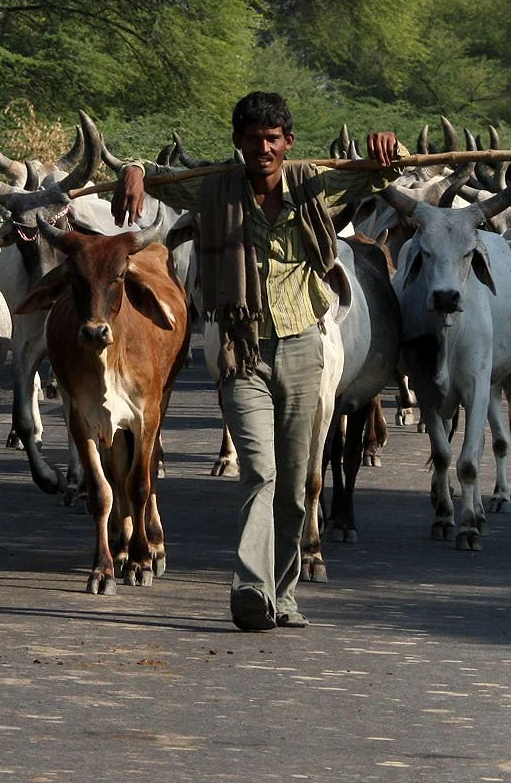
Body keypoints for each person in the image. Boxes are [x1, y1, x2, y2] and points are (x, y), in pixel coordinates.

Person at [112, 92, 402, 632]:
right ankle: (249, 586)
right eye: (252, 139)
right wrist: (132, 169)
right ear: (238, 143)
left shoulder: (315, 182)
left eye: (273, 140)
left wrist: (389, 148)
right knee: (259, 471)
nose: (263, 149)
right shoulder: (216, 186)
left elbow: (377, 176)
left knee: (294, 483)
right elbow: (159, 177)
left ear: (287, 144)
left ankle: (282, 595)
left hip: (306, 349)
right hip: (241, 352)